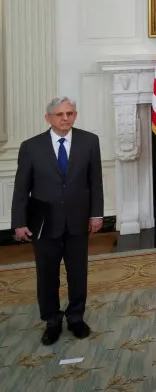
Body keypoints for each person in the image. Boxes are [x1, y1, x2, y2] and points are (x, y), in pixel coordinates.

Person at [10, 97, 104, 345]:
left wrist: (96, 214)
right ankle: (52, 321)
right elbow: (21, 189)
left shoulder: (89, 141)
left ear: (75, 115)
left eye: (70, 113)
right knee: (47, 275)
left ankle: (75, 318)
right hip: (44, 223)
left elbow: (95, 182)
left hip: (77, 220)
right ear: (48, 118)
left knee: (78, 273)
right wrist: (19, 222)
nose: (65, 118)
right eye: (60, 114)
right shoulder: (31, 147)